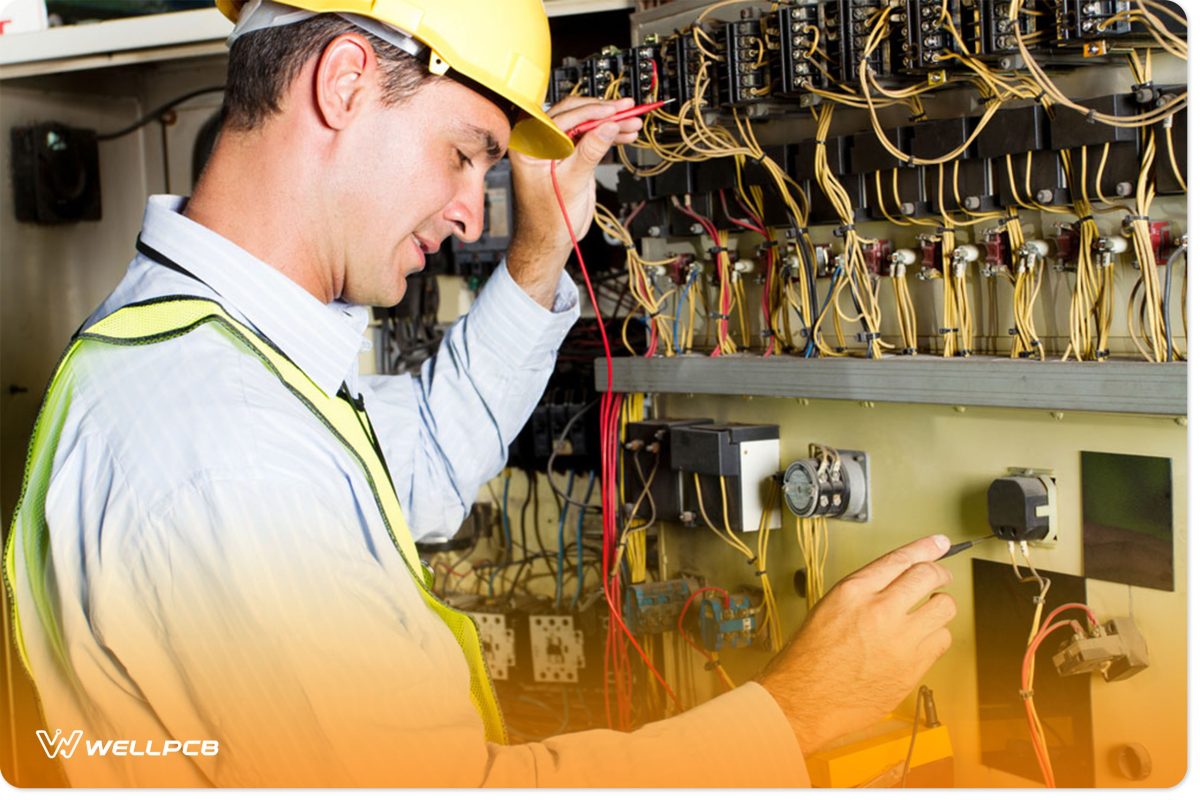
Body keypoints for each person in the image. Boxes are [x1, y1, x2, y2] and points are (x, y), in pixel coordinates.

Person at [4, 0, 956, 787]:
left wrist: (541, 253)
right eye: (462, 154)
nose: (470, 213)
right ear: (344, 84)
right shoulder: (223, 444)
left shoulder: (207, 356)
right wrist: (793, 716)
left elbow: (410, 466)